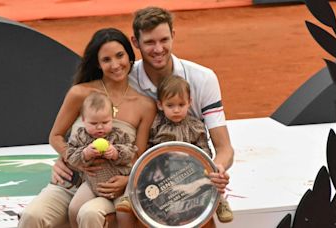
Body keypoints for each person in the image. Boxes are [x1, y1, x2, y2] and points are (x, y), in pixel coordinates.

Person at [18, 27, 156, 228]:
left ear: (130, 55)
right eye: (106, 60)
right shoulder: (80, 93)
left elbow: (139, 154)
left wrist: (126, 181)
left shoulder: (145, 105)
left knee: (89, 214)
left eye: (120, 56)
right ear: (98, 64)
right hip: (70, 183)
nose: (115, 65)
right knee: (32, 216)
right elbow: (55, 136)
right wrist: (72, 158)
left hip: (107, 187)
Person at [124, 6, 235, 226]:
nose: (158, 49)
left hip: (193, 178)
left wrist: (217, 170)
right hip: (147, 181)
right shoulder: (125, 81)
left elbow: (224, 148)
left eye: (164, 40)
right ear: (135, 42)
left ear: (173, 36)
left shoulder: (204, 79)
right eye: (149, 42)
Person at [117, 76, 233, 223]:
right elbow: (147, 148)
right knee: (141, 172)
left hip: (187, 169)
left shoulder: (195, 126)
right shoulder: (155, 124)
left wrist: (204, 167)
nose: (176, 110)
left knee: (211, 175)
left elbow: (204, 151)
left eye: (181, 104)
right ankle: (129, 197)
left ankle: (220, 203)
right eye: (170, 106)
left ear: (189, 103)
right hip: (161, 169)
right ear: (160, 105)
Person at [66, 92, 138, 228]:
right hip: (92, 183)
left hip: (120, 184)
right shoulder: (80, 136)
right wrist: (85, 153)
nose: (100, 127)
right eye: (93, 123)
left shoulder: (118, 135)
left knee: (124, 212)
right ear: (83, 119)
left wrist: (116, 153)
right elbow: (70, 157)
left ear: (112, 117)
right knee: (74, 208)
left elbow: (131, 152)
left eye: (105, 122)